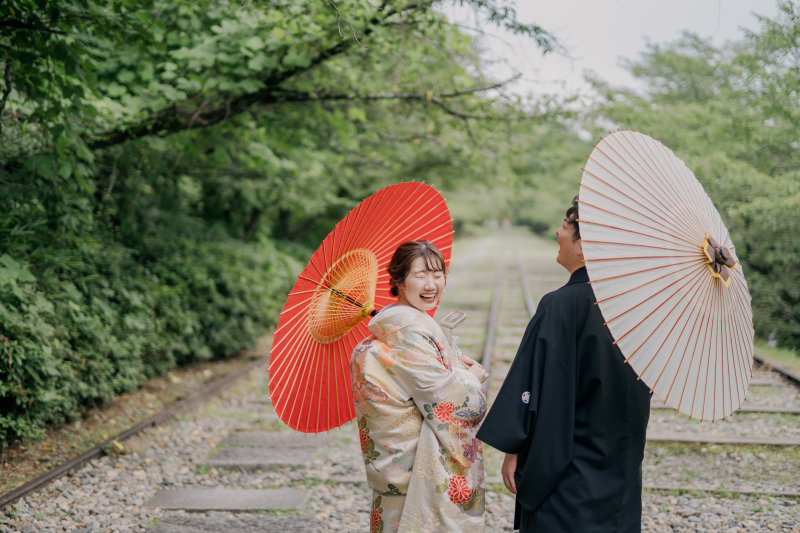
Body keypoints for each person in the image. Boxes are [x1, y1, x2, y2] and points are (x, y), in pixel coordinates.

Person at [476, 196, 652, 532]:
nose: (558, 232)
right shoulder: (636, 310)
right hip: (620, 463)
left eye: (565, 226)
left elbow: (533, 382)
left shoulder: (559, 305)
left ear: (583, 247)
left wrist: (514, 448)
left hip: (567, 470)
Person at [350, 240, 489, 533]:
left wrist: (450, 363)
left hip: (400, 463)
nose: (431, 284)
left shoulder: (403, 324)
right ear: (399, 281)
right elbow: (450, 401)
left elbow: (424, 379)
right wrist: (472, 379)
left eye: (438, 274)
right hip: (416, 472)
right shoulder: (409, 331)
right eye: (421, 275)